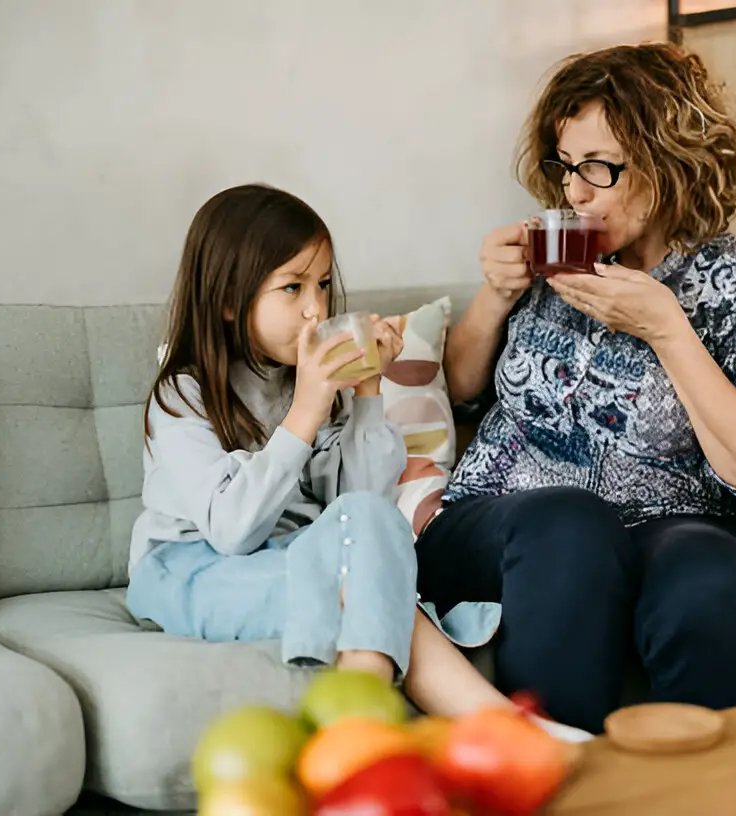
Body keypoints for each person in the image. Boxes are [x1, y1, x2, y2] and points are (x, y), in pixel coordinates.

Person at [416, 43, 736, 734]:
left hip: (672, 519)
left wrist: (668, 330)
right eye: (566, 167)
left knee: (709, 575)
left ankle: (733, 794)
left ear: (670, 160)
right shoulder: (556, 254)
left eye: (598, 168)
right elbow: (454, 391)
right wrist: (494, 294)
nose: (574, 192)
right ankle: (562, 787)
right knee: (569, 524)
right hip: (506, 520)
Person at [126, 183, 590, 739]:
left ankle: (385, 725)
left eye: (322, 284)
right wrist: (305, 413)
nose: (316, 308)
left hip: (297, 556)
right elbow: (232, 532)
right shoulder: (182, 395)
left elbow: (363, 504)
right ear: (229, 300)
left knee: (376, 527)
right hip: (191, 569)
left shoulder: (307, 382)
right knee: (373, 582)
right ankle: (492, 731)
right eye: (292, 287)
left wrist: (369, 389)